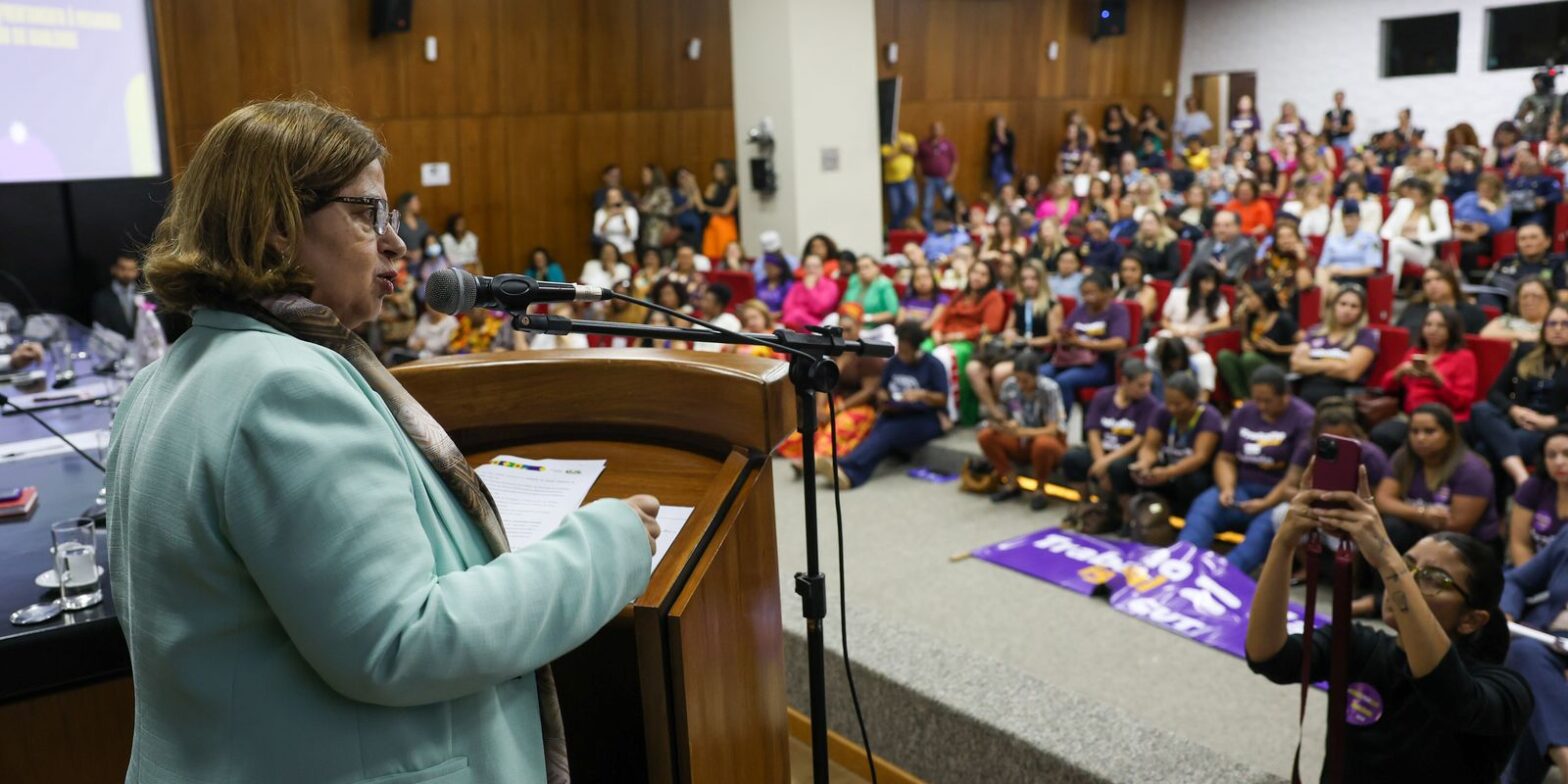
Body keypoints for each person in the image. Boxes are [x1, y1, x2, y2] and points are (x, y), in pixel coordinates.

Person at [118, 99, 661, 782]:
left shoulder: (162, 381)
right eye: (367, 213)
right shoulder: (285, 387)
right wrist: (604, 547)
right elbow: (405, 641)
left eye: (392, 217)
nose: (397, 243)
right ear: (277, 226)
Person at [1249, 474, 1529, 784]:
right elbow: (1268, 656)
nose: (1404, 581)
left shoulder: (1508, 691)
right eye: (1407, 566)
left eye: (1434, 578)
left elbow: (1449, 694)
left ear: (1471, 620)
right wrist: (1284, 543)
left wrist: (1388, 559)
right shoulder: (1359, 645)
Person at [1178, 365, 1314, 572]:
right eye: (1256, 399)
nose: (1261, 406)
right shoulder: (1244, 412)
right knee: (1204, 507)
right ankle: (1181, 564)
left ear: (1285, 396)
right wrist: (1227, 488)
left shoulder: (1304, 418)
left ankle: (1223, 575)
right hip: (1241, 487)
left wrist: (1265, 503)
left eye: (1267, 400)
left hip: (1277, 496)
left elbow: (1293, 477)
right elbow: (1225, 458)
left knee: (1263, 531)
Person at [820, 320, 948, 488]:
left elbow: (942, 398)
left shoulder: (933, 365)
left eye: (906, 350)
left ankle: (849, 472)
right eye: (900, 347)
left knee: (888, 433)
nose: (902, 353)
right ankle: (846, 468)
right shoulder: (895, 362)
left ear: (916, 347)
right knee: (879, 430)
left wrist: (922, 394)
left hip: (925, 417)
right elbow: (882, 388)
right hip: (895, 411)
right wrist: (882, 395)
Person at [1468, 303, 1568, 487]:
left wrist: (1551, 421)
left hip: (1550, 429)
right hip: (1518, 418)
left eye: (1565, 324)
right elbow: (1494, 393)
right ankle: (1520, 475)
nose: (1558, 329)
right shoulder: (1526, 352)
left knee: (1485, 448)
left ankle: (1508, 492)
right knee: (1480, 409)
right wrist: (1514, 410)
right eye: (1552, 323)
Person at [778, 306, 886, 469]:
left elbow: (868, 392)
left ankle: (815, 460)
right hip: (836, 401)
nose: (845, 335)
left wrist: (838, 409)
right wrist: (819, 407)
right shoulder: (837, 351)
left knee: (838, 426)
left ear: (859, 327)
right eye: (842, 330)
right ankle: (807, 455)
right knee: (808, 425)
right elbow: (825, 382)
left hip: (860, 406)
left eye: (849, 330)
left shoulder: (867, 354)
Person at [1501, 522, 1568, 783]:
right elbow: (1517, 580)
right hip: (1548, 640)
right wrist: (1507, 613)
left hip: (1541, 651)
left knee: (1525, 663)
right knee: (1527, 661)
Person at [1110, 370, 1221, 516]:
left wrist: (1168, 472)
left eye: (1178, 404)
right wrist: (1144, 463)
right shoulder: (1162, 411)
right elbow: (1149, 447)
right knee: (1122, 468)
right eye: (1168, 403)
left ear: (1194, 400)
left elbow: (1200, 457)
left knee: (1191, 481)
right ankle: (1130, 516)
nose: (1171, 408)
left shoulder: (1209, 417)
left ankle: (1185, 519)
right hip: (1167, 466)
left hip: (1193, 472)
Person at [1372, 307, 1479, 456]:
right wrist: (1400, 372)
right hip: (1412, 417)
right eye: (1428, 324)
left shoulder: (1463, 357)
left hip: (1445, 421)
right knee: (1380, 434)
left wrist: (1436, 378)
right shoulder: (1415, 352)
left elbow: (1461, 401)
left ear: (1452, 329)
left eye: (1441, 326)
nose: (1433, 330)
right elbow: (1386, 387)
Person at [1061, 359, 1159, 516]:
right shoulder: (1103, 396)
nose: (1146, 390)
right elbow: (1093, 432)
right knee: (1072, 458)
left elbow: (1138, 440)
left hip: (1126, 454)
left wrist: (1106, 462)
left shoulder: (1150, 404)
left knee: (1118, 468)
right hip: (1102, 450)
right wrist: (1100, 461)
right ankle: (1085, 503)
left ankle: (1126, 516)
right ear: (1125, 381)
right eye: (1141, 385)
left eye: (1149, 385)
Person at [978, 350, 1068, 511]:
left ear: (1036, 375)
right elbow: (1007, 414)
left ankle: (1040, 489)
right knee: (986, 436)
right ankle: (1012, 482)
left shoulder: (1049, 389)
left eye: (1025, 380)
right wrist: (1006, 423)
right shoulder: (1010, 385)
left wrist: (1023, 432)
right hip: (1020, 439)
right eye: (1017, 379)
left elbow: (1053, 429)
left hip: (1048, 441)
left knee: (1043, 444)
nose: (1021, 385)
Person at [1041, 270, 1131, 415]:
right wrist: (1063, 335)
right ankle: (1043, 417)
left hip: (1100, 363)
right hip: (1071, 359)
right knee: (1042, 374)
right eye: (1084, 293)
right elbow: (1066, 329)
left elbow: (1120, 342)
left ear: (1107, 292)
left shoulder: (1117, 311)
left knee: (1064, 380)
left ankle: (1062, 422)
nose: (1087, 297)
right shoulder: (1081, 309)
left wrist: (1084, 343)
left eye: (1092, 293)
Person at [929, 260, 1007, 424]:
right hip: (945, 336)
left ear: (990, 279)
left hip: (969, 342)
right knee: (922, 350)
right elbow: (943, 316)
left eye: (983, 274)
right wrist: (937, 331)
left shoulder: (993, 297)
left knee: (942, 357)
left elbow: (991, 327)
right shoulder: (960, 294)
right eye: (975, 272)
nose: (977, 277)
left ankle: (949, 411)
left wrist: (959, 335)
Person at [1292, 286, 1378, 404]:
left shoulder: (1365, 335)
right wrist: (1335, 365)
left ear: (1361, 312)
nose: (1347, 310)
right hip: (1306, 392)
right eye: (1343, 304)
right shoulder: (1315, 331)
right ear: (1333, 306)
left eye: (1354, 306)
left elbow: (1351, 373)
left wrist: (1311, 365)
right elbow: (1296, 364)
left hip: (1340, 398)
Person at [1218, 279, 1299, 402]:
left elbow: (1303, 345)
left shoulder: (1283, 319)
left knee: (1249, 359)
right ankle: (1241, 398)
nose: (1246, 301)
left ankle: (1255, 399)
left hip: (1277, 363)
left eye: (1250, 297)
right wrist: (1245, 341)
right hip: (1252, 360)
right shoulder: (1251, 318)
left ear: (1262, 297)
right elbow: (1246, 339)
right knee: (1225, 356)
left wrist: (1277, 349)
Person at [1148, 263, 1229, 381]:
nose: (1210, 287)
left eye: (1213, 283)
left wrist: (1202, 329)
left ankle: (1203, 392)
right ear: (1196, 281)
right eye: (1206, 282)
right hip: (1172, 335)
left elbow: (1225, 322)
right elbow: (1164, 321)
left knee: (1205, 363)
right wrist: (1175, 330)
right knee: (1150, 348)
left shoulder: (1216, 299)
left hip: (1193, 339)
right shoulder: (1177, 294)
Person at [1381, 178, 1453, 290]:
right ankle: (1390, 290)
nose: (1412, 198)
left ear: (1425, 196)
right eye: (1411, 195)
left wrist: (1421, 238)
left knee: (1396, 245)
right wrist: (1390, 239)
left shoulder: (1437, 206)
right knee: (1396, 253)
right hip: (1399, 245)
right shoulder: (1404, 204)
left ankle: (1387, 290)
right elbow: (1386, 229)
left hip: (1423, 249)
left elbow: (1445, 232)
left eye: (1416, 195)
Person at [1479, 222, 1567, 311]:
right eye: (1522, 239)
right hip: (1506, 310)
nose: (1527, 243)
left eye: (1533, 238)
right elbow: (1487, 287)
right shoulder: (1506, 262)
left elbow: (1565, 294)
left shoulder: (1558, 263)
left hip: (1545, 311)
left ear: (1547, 241)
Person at [1315, 199, 1383, 294]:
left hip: (1355, 279)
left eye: (1351, 218)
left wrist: (1342, 271)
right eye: (1345, 218)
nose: (1348, 223)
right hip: (1332, 278)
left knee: (1331, 289)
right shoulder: (1332, 239)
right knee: (1321, 273)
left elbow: (1371, 269)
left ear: (1359, 219)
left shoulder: (1371, 239)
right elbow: (1322, 265)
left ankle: (1317, 301)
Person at [1401, 264, 1489, 335]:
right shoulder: (1414, 309)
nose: (1432, 285)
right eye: (1427, 281)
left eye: (1438, 279)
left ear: (1451, 283)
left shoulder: (1472, 313)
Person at [1452, 172, 1513, 274]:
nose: (1483, 193)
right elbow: (1452, 214)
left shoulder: (1503, 202)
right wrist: (1461, 223)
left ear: (1496, 191)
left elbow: (1503, 226)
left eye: (1488, 190)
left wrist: (1491, 209)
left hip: (1485, 239)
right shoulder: (1469, 198)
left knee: (1467, 252)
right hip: (1461, 233)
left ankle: (1467, 279)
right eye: (1481, 189)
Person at [1179, 210, 1256, 285]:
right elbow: (1189, 270)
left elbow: (1238, 277)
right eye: (1217, 225)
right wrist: (1177, 288)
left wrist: (1224, 273)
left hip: (1223, 289)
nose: (1221, 230)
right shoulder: (1203, 244)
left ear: (1237, 227)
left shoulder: (1244, 248)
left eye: (1227, 225)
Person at [842, 255, 900, 341]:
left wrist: (868, 318)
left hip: (873, 329)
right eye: (859, 268)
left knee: (888, 330)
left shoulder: (884, 284)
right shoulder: (854, 281)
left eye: (866, 267)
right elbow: (844, 304)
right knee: (833, 317)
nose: (862, 271)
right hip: (851, 326)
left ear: (876, 268)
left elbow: (892, 312)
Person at [1480, 277, 1551, 346]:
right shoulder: (1507, 320)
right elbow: (1485, 334)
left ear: (1549, 300)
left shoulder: (1553, 323)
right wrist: (1520, 335)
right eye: (1524, 297)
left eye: (1535, 296)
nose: (1529, 301)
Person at [779, 254, 839, 331]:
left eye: (815, 267)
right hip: (794, 323)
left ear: (822, 268)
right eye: (808, 267)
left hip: (819, 325)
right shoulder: (797, 286)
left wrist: (810, 289)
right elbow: (786, 307)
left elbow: (820, 308)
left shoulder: (830, 285)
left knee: (796, 315)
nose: (811, 270)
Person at [1506, 150, 1563, 229]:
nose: (1529, 169)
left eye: (1532, 166)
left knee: (1531, 225)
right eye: (1526, 166)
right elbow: (1505, 192)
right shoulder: (1515, 181)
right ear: (1521, 169)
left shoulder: (1547, 180)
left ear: (1539, 167)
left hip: (1536, 212)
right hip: (1515, 212)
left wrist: (1545, 199)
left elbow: (1557, 195)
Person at [91, 254, 144, 339]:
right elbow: (101, 328)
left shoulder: (147, 295)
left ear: (137, 272)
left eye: (131, 269)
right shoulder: (101, 298)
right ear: (113, 269)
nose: (127, 274)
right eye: (122, 268)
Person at [917, 121, 958, 229]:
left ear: (942, 130)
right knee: (927, 205)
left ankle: (951, 227)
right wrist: (921, 177)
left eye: (939, 128)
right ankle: (929, 229)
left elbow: (955, 162)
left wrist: (952, 176)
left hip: (945, 180)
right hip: (929, 180)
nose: (936, 131)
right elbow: (918, 162)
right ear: (930, 130)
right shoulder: (923, 144)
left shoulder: (948, 144)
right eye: (934, 128)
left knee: (950, 203)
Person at [699, 159, 739, 259]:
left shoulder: (734, 188)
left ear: (728, 171)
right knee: (709, 253)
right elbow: (702, 206)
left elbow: (726, 211)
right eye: (715, 169)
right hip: (710, 224)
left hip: (726, 224)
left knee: (723, 252)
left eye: (720, 169)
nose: (716, 172)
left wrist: (707, 209)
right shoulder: (713, 187)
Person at [1126, 211, 1180, 281]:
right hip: (1136, 281)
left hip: (1159, 281)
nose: (1146, 227)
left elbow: (1173, 271)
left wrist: (1152, 278)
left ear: (1159, 224)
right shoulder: (1136, 242)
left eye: (1150, 223)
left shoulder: (1169, 244)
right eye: (1144, 223)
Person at [882, 127, 920, 229]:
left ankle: (893, 226)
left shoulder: (908, 137)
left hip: (908, 178)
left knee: (912, 202)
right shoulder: (886, 140)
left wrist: (899, 149)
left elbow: (914, 151)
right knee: (895, 208)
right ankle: (897, 230)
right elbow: (887, 157)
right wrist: (902, 150)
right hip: (892, 180)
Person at [592, 186, 639, 257]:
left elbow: (633, 235)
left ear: (621, 197)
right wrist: (608, 218)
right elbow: (597, 233)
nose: (614, 200)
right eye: (611, 197)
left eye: (616, 196)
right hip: (608, 250)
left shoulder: (630, 211)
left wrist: (624, 217)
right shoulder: (600, 212)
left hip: (626, 249)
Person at [899, 264, 949, 330]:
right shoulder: (907, 299)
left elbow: (930, 324)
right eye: (917, 279)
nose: (922, 282)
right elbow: (899, 322)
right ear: (912, 282)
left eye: (925, 277)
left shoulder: (941, 300)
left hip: (926, 333)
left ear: (933, 279)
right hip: (904, 333)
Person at [1114, 255, 1159, 330]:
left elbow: (1139, 315)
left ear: (1142, 271)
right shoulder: (1117, 290)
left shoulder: (1148, 291)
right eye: (1124, 269)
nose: (1128, 274)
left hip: (1139, 330)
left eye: (1133, 270)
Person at [637, 164, 674, 250]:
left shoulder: (663, 191)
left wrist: (650, 210)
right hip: (647, 230)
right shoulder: (648, 192)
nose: (643, 177)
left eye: (645, 175)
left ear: (654, 175)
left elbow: (668, 210)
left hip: (659, 230)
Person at [394, 191, 430, 256]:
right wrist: (409, 254)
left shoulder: (422, 223)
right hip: (404, 259)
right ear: (407, 205)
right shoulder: (398, 225)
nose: (419, 204)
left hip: (425, 257)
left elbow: (430, 239)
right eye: (416, 202)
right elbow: (394, 245)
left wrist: (423, 251)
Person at [1323, 89, 1356, 158]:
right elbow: (1325, 126)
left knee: (1346, 156)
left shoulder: (1348, 112)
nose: (1339, 101)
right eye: (1337, 98)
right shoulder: (1329, 113)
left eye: (1340, 98)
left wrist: (1338, 128)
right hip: (1331, 140)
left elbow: (1351, 127)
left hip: (1344, 139)